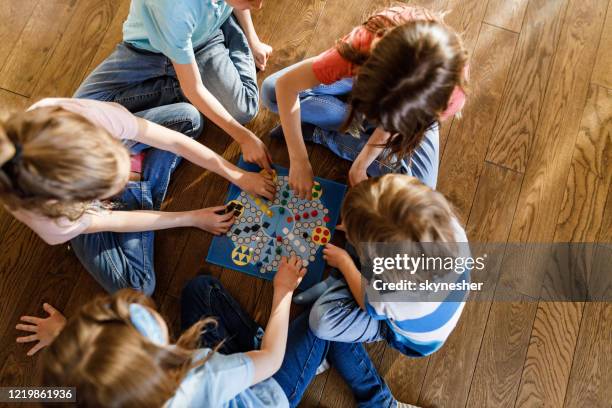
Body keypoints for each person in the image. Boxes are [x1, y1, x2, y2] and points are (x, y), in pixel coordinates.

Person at [17, 256, 413, 407]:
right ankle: (380, 402)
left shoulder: (99, 396)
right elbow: (271, 361)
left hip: (229, 373)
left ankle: (265, 344)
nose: (140, 303)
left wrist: (71, 342)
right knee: (326, 319)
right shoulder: (195, 380)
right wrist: (282, 291)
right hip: (268, 391)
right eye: (144, 321)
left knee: (198, 291)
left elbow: (76, 390)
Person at [0, 98, 276, 296]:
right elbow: (117, 220)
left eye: (120, 157)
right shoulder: (55, 221)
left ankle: (138, 179)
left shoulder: (90, 117)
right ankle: (138, 184)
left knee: (187, 118)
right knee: (140, 286)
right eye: (110, 187)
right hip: (90, 217)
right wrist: (190, 218)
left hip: (87, 147)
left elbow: (174, 140)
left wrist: (236, 174)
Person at [261, 5, 468, 198]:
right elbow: (284, 86)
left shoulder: (448, 95)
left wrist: (362, 164)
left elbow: (392, 124)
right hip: (362, 69)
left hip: (408, 106)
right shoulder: (360, 47)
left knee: (421, 189)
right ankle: (340, 125)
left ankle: (319, 132)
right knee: (271, 93)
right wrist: (299, 159)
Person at [74, 0, 274, 170]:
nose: (259, 6)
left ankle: (226, 32)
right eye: (249, 0)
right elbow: (193, 88)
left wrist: (252, 40)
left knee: (243, 110)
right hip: (145, 50)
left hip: (202, 39)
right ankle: (186, 75)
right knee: (76, 120)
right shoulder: (175, 10)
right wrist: (244, 138)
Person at [305, 174, 470, 358]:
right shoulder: (451, 226)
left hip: (408, 338)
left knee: (320, 321)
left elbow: (366, 303)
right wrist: (362, 223)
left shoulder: (391, 296)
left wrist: (344, 262)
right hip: (433, 300)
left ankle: (380, 329)